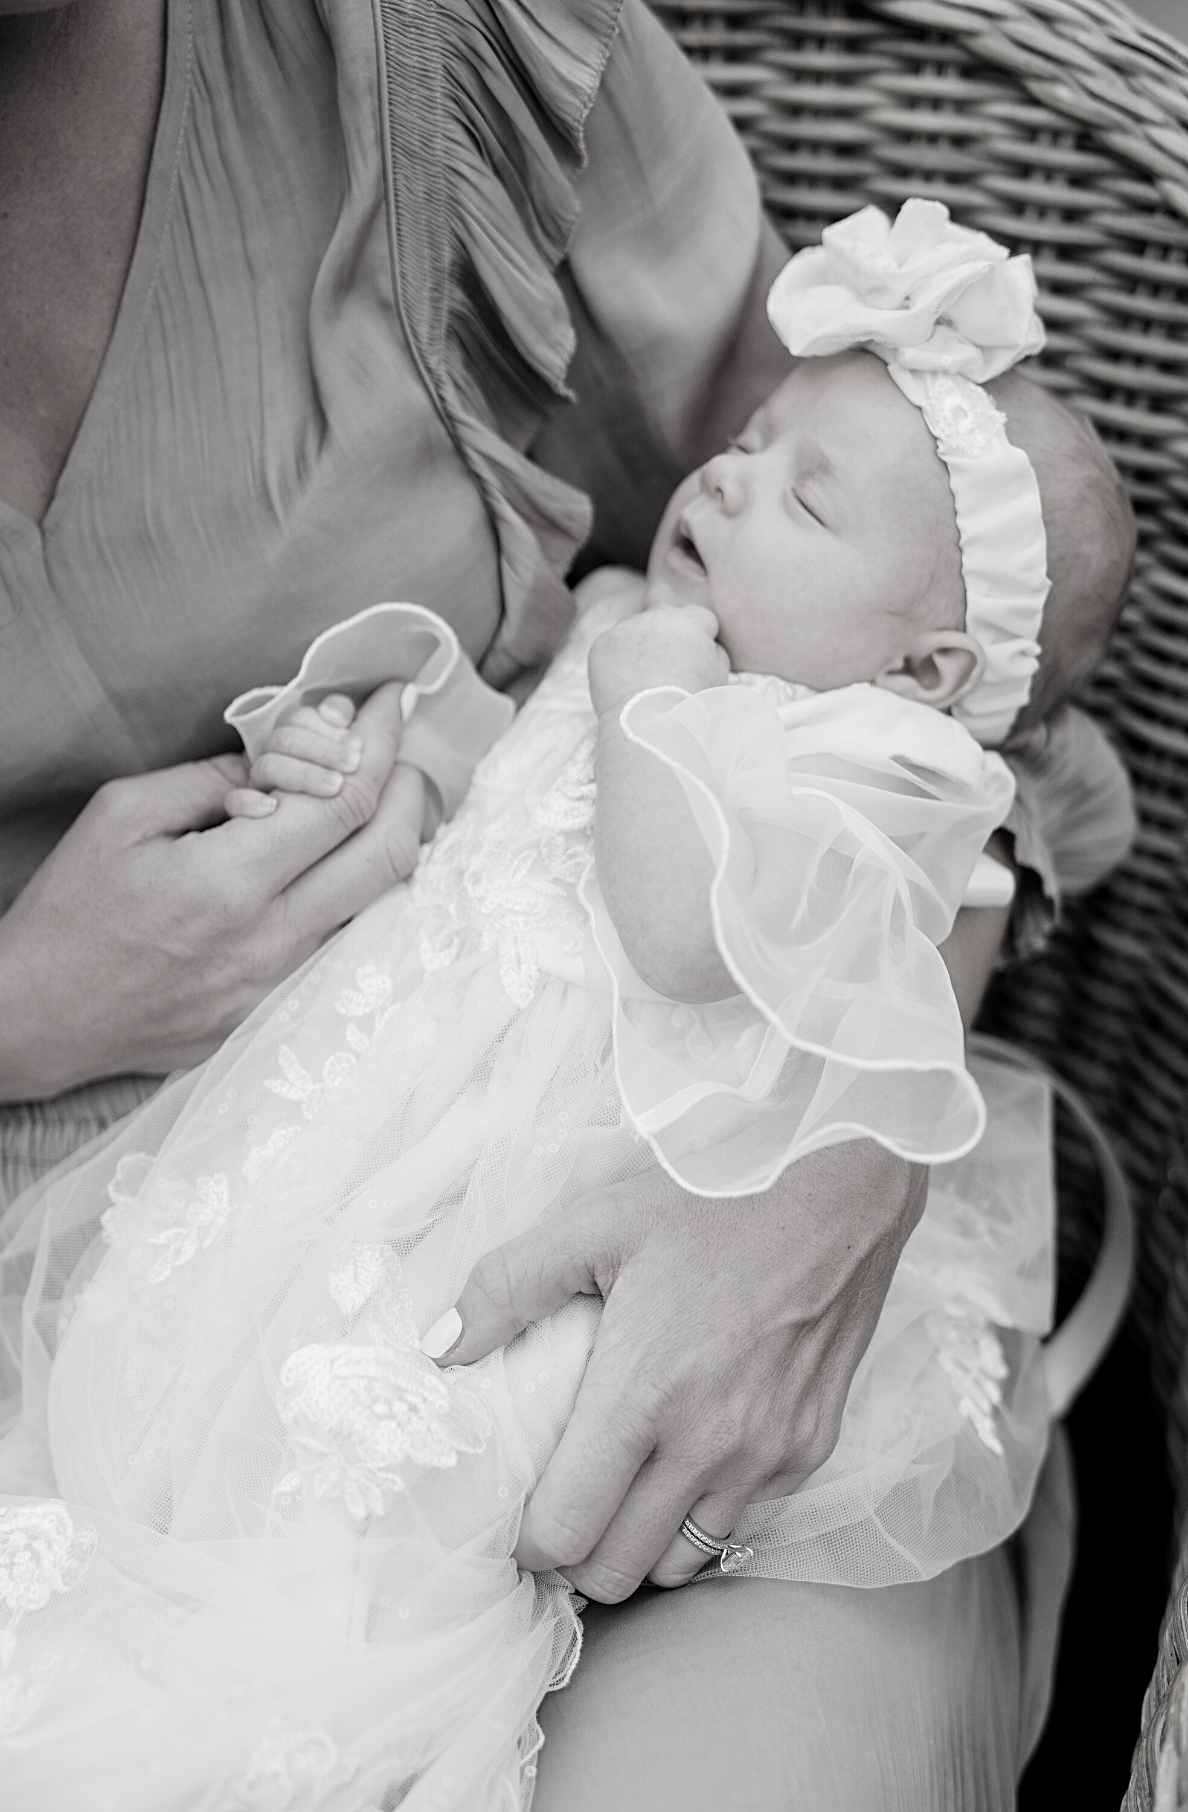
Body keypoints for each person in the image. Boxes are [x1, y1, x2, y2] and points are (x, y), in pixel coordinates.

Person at [0, 2, 1138, 1804]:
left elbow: (703, 926)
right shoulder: (654, 634)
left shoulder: (836, 745)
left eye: (799, 495)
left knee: (475, 1495)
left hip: (595, 1201)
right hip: (334, 1135)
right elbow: (477, 766)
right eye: (753, 448)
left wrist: (844, 1135)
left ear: (926, 662)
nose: (728, 479)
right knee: (203, 1456)